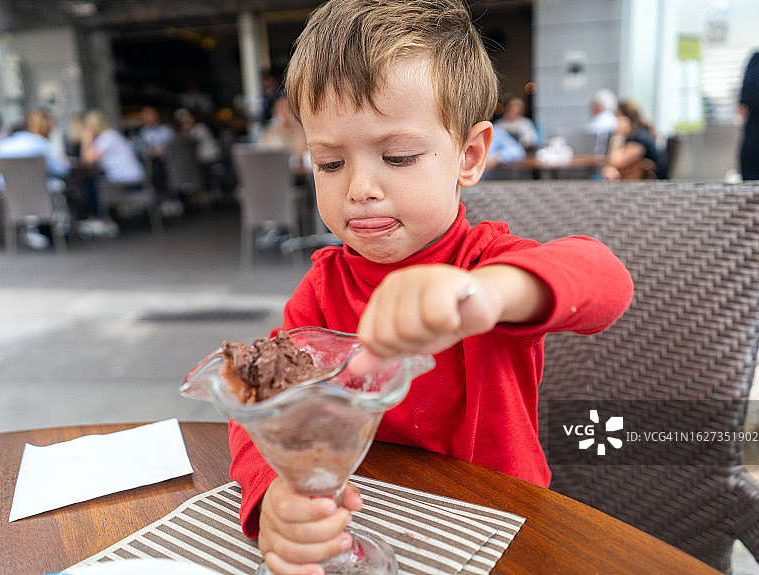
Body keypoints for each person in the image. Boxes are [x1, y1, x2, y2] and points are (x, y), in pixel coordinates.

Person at [227, 2, 634, 574]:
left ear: (468, 157)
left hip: (500, 526)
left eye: (397, 157)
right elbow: (259, 407)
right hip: (371, 520)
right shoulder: (323, 288)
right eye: (329, 163)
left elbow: (604, 279)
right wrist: (272, 496)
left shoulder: (485, 264)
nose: (361, 188)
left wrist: (490, 294)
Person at [0, 109, 72, 249]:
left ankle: (27, 231)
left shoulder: (1, 147)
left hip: (13, 197)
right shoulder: (40, 143)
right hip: (42, 193)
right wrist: (66, 162)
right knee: (58, 186)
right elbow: (60, 170)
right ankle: (57, 230)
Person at [79, 109, 145, 237]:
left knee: (92, 185)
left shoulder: (107, 136)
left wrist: (86, 139)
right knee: (94, 181)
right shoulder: (112, 135)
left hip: (126, 179)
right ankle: (102, 218)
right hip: (130, 177)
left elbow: (86, 160)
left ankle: (99, 220)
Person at [738, 24, 759, 180]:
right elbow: (743, 106)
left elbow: (743, 106)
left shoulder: (757, 60)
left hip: (753, 139)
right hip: (757, 140)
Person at [602, 99, 663, 180]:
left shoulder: (641, 138)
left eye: (617, 117)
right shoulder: (635, 135)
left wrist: (618, 135)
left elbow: (616, 161)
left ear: (625, 119)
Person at [586, 89, 619, 154]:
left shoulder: (600, 119)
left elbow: (587, 133)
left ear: (599, 106)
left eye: (593, 105)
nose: (590, 109)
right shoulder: (612, 118)